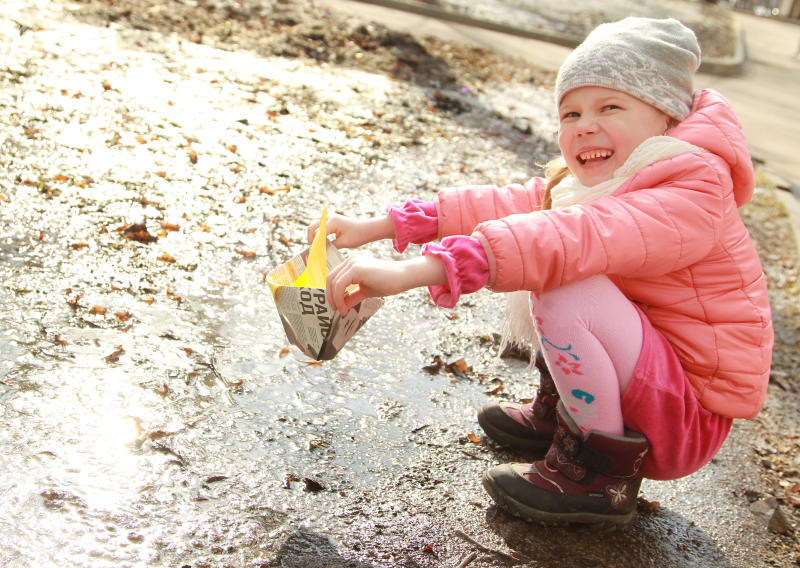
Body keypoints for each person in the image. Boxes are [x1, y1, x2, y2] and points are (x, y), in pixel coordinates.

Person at [307, 17, 773, 528]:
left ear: (666, 115)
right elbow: (515, 205)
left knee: (564, 278)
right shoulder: (613, 176)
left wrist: (416, 272)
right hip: (656, 380)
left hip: (684, 414)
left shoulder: (691, 190)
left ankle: (597, 476)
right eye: (570, 112)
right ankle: (567, 418)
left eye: (610, 107)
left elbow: (572, 237)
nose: (584, 126)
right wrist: (379, 226)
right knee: (554, 250)